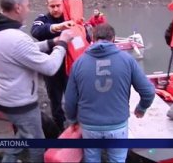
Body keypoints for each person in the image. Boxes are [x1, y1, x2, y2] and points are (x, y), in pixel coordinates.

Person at [0, 0, 73, 162]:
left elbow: (22, 50)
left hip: (3, 97)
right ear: (18, 8)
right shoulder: (16, 37)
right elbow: (50, 67)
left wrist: (51, 42)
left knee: (25, 135)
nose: (28, 9)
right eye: (27, 5)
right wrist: (62, 42)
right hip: (20, 103)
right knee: (37, 143)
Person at [63, 23, 155, 162]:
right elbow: (148, 92)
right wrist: (141, 108)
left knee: (92, 158)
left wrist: (72, 119)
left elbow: (69, 101)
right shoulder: (127, 60)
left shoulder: (79, 63)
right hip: (117, 125)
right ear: (114, 38)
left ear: (92, 38)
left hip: (89, 126)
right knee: (117, 159)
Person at [31, 0, 75, 132]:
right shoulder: (42, 19)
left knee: (73, 97)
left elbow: (84, 36)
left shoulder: (71, 18)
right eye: (52, 6)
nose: (55, 9)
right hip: (51, 68)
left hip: (70, 67)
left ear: (63, 4)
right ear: (48, 5)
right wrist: (59, 27)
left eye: (58, 5)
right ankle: (59, 125)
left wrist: (83, 28)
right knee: (55, 99)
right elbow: (36, 31)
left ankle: (75, 123)